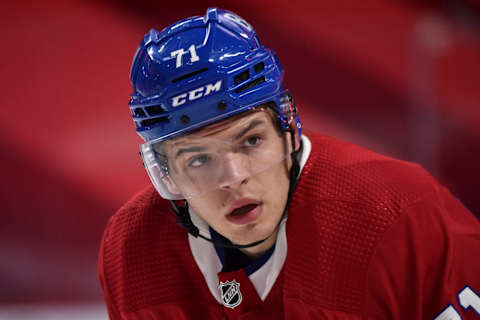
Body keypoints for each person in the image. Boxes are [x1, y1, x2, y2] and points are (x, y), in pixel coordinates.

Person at [98, 7, 480, 319]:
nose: (234, 177)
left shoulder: (403, 214)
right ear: (166, 173)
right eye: (198, 159)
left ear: (288, 129)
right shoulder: (131, 253)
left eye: (251, 140)